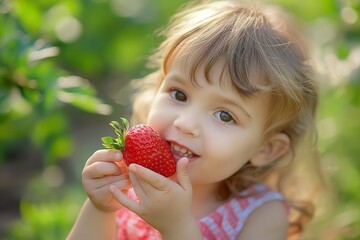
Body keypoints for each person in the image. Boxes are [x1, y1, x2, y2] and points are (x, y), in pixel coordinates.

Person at [67, 0, 324, 239]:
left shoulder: (262, 215)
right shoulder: (131, 182)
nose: (185, 124)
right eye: (179, 94)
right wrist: (101, 208)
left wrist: (177, 228)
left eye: (225, 115)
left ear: (265, 149)